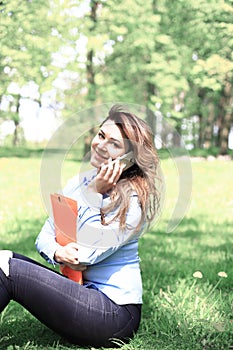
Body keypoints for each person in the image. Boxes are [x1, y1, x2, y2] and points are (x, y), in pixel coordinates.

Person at [0, 105, 160, 348]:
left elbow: (86, 254)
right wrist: (56, 252)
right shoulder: (80, 182)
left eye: (114, 144)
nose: (100, 145)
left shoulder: (132, 203)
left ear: (129, 159)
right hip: (79, 293)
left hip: (113, 316)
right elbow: (46, 235)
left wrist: (94, 194)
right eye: (101, 135)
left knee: (9, 270)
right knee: (5, 257)